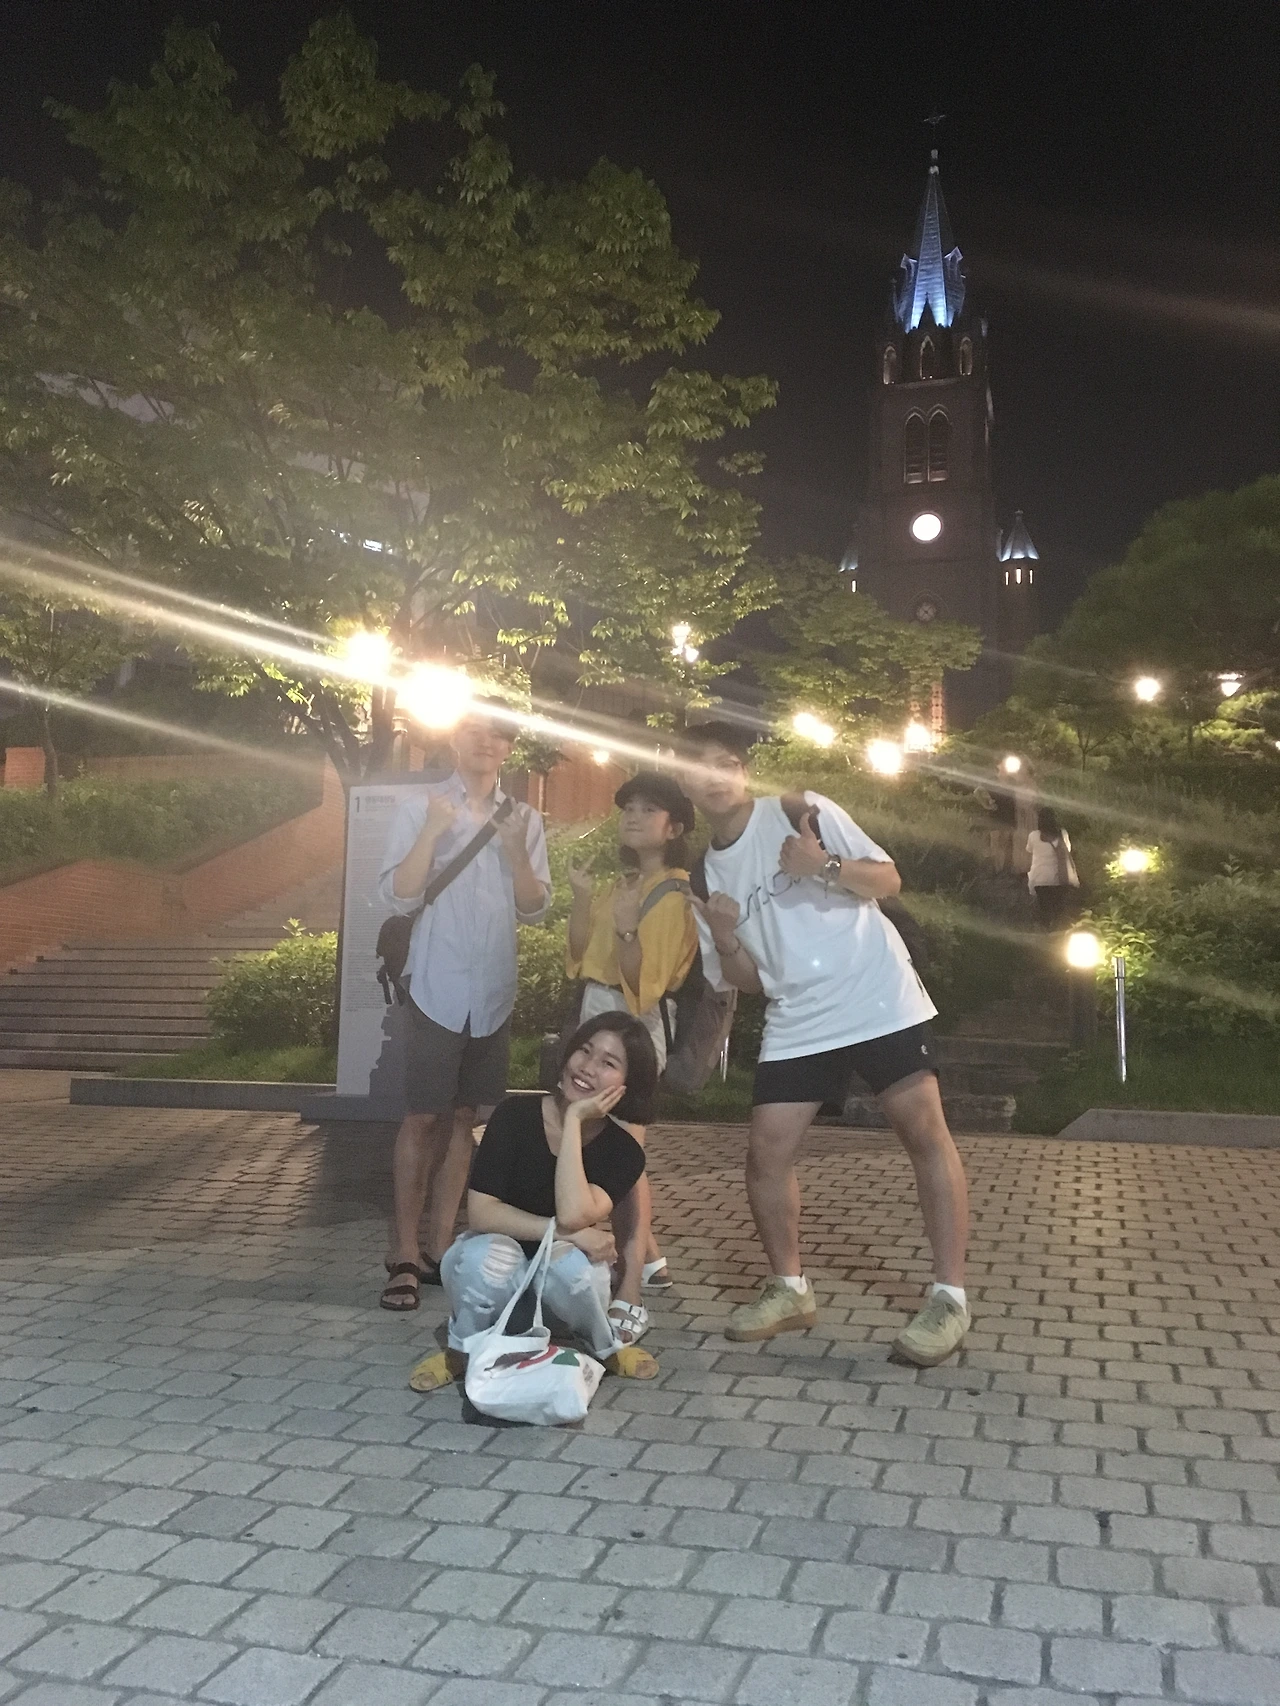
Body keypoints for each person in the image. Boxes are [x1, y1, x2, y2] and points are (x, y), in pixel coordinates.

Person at [678, 721, 972, 1367]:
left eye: (726, 762)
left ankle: (950, 1297)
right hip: (797, 1016)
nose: (714, 777)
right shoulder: (701, 874)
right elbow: (744, 981)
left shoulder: (799, 810)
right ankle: (789, 1288)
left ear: (743, 771)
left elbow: (888, 880)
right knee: (765, 1155)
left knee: (924, 1134)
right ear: (682, 779)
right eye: (699, 767)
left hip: (875, 995)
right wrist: (724, 936)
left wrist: (824, 866)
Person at [377, 701, 552, 1312]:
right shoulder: (419, 807)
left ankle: (440, 1246)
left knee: (462, 1119)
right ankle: (404, 1252)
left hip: (493, 990)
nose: (487, 742)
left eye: (499, 734)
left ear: (509, 747)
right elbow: (398, 895)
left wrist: (518, 853)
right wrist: (432, 831)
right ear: (455, 738)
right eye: (475, 731)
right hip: (437, 983)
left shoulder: (524, 817)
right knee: (421, 1117)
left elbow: (535, 908)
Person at [408, 1013, 661, 1391]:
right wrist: (565, 1234)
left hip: (559, 1297)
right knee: (485, 1256)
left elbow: (574, 1213)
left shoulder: (623, 1152)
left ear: (628, 1085)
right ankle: (460, 1351)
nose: (588, 1067)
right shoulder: (514, 1116)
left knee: (576, 1269)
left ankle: (604, 1347)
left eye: (608, 1063)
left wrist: (574, 1120)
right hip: (494, 1283)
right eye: (584, 1050)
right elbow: (482, 1213)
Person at [565, 772, 699, 1340]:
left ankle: (635, 1271)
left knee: (623, 1153)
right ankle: (649, 1257)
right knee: (610, 1147)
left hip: (634, 1026)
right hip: (596, 1013)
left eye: (649, 810)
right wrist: (581, 900)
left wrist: (625, 932)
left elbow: (646, 987)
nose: (634, 817)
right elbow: (577, 957)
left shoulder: (673, 895)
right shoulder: (623, 884)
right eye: (629, 809)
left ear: (675, 829)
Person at [1026, 806, 1080, 930]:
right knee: (1058, 913)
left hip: (1039, 879)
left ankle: (1045, 932)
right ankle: (1059, 935)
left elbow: (1029, 850)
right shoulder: (1062, 834)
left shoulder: (1033, 836)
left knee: (1044, 911)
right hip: (1059, 879)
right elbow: (1068, 851)